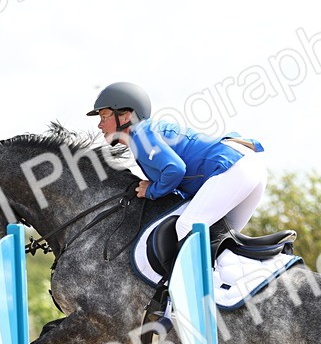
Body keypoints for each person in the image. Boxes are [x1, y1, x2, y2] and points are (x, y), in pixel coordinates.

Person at [87, 82, 266, 242]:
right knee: (221, 241)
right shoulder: (143, 135)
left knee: (186, 227)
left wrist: (151, 190)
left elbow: (175, 169)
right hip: (245, 167)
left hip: (234, 168)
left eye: (104, 116)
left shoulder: (141, 135)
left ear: (126, 116)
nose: (100, 125)